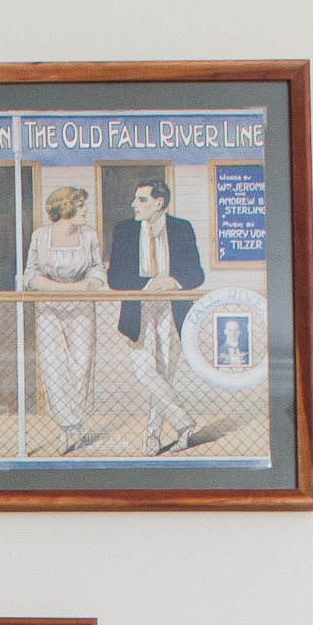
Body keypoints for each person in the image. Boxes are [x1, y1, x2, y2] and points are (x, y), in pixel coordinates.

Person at [107, 173, 207, 454]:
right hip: (139, 306)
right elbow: (115, 277)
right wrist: (148, 285)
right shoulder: (124, 230)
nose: (133, 205)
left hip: (172, 308)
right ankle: (184, 422)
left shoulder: (182, 228)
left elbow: (196, 274)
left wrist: (172, 281)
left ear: (159, 203)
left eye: (141, 200)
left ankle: (152, 436)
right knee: (145, 370)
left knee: (164, 372)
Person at [21, 184, 106, 455]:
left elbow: (97, 271)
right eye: (81, 205)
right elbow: (30, 274)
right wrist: (55, 288)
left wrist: (84, 286)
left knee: (81, 363)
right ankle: (66, 425)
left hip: (82, 307)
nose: (85, 210)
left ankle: (75, 422)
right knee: (52, 365)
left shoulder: (89, 235)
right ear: (66, 207)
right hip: (48, 307)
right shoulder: (40, 235)